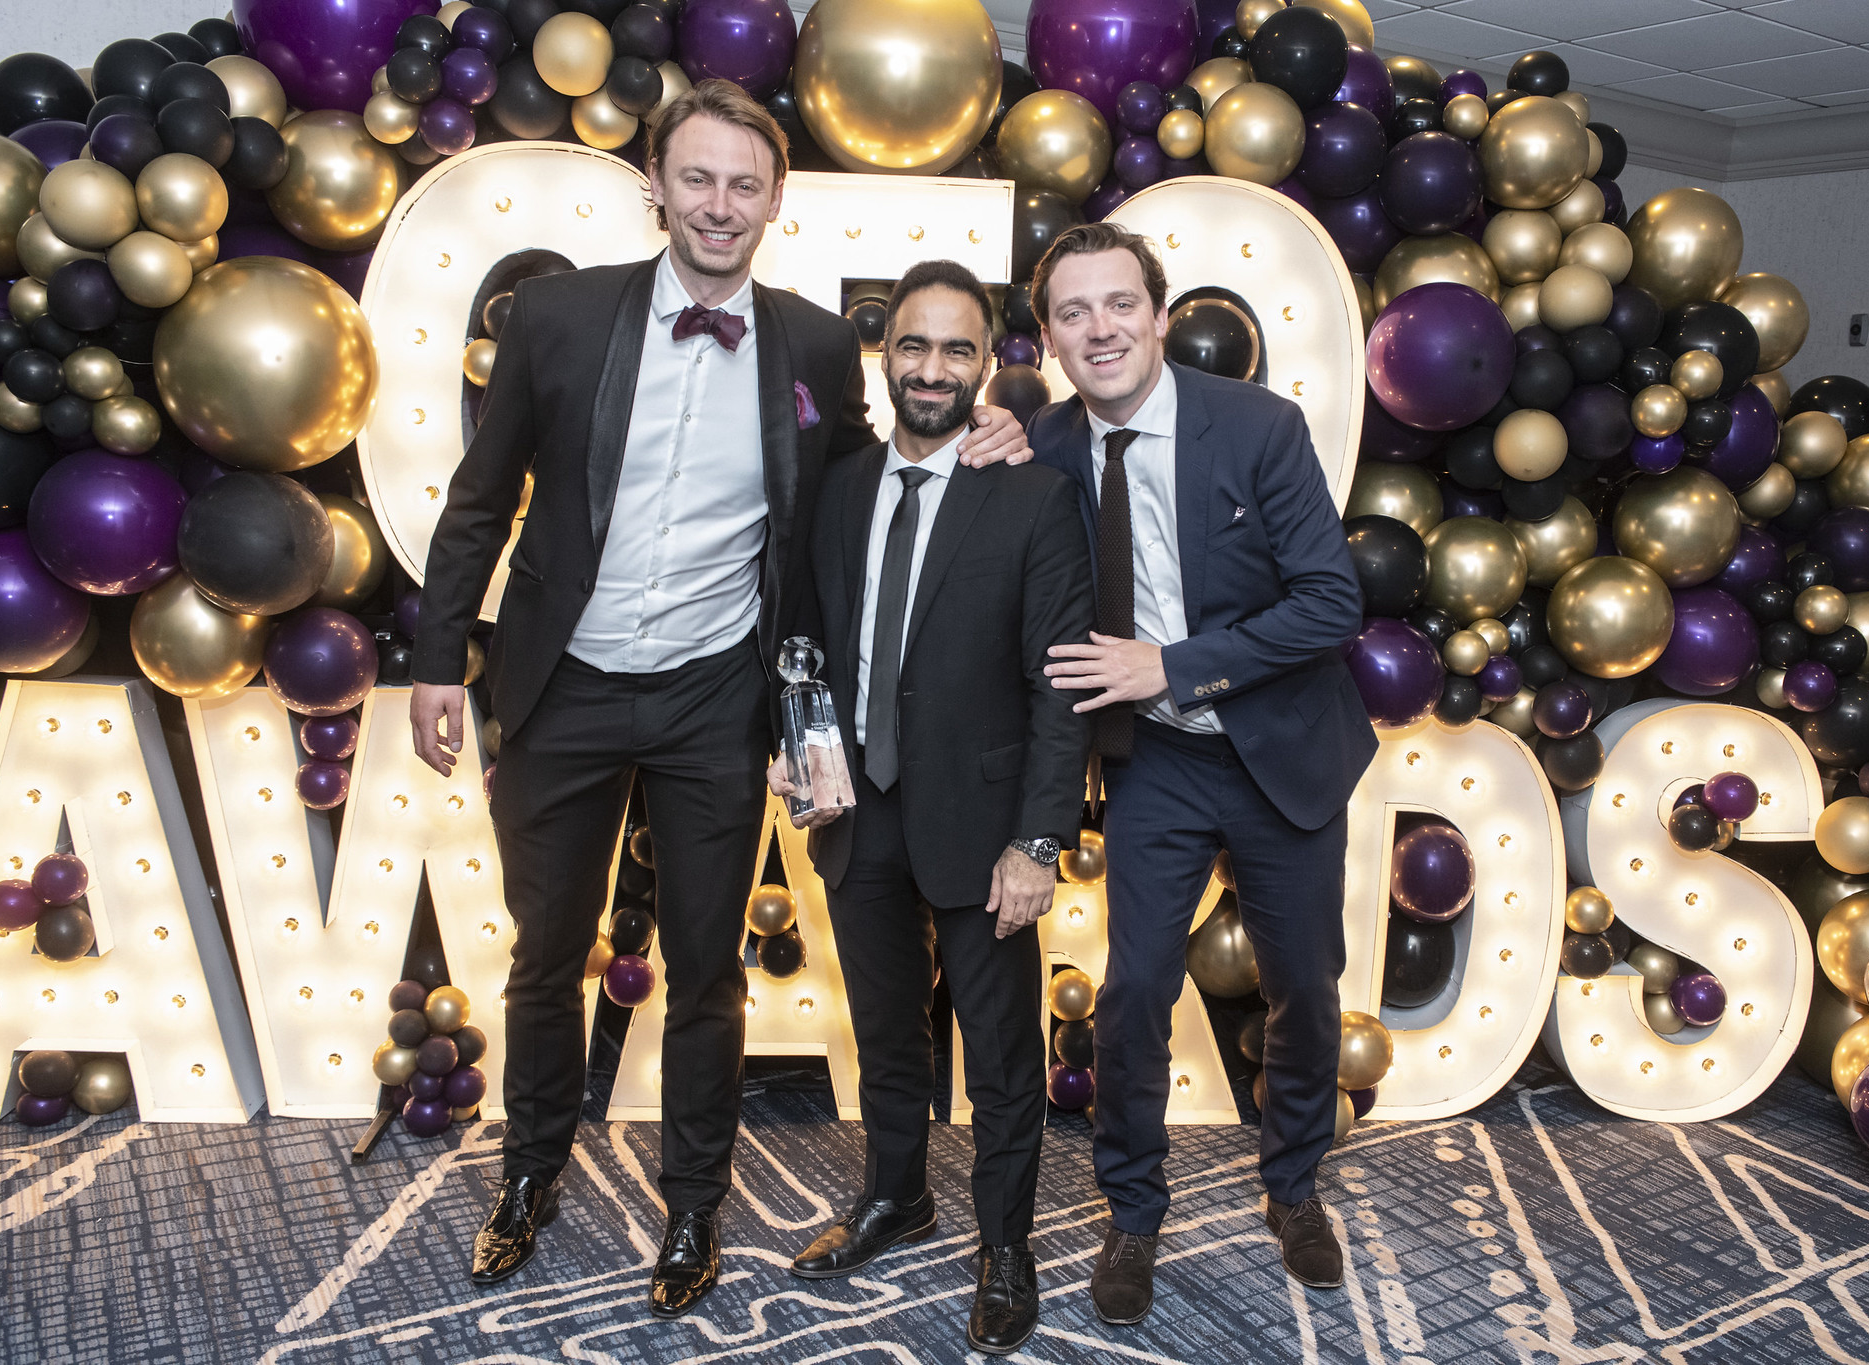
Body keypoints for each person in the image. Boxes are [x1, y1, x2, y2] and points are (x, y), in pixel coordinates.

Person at [407, 79, 1030, 1308]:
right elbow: (479, 500)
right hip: (563, 682)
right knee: (544, 953)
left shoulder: (803, 340)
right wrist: (437, 658)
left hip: (714, 695)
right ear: (655, 184)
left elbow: (863, 474)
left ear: (776, 202)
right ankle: (530, 1170)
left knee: (705, 968)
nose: (718, 204)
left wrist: (989, 429)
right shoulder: (557, 318)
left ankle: (692, 1204)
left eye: (745, 184)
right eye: (697, 177)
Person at [1026, 222, 1375, 1324]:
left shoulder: (1258, 428)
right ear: (1046, 338)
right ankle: (1130, 1212)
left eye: (1118, 304)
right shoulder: (1039, 447)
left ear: (1160, 316)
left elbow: (1329, 602)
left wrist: (1170, 664)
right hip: (1157, 763)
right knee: (1130, 994)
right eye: (1073, 313)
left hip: (1280, 747)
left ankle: (1293, 1186)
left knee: (1304, 991)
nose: (1099, 329)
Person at [766, 259, 1091, 1356]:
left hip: (986, 822)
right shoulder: (842, 482)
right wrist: (798, 749)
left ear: (988, 364)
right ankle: (895, 1198)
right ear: (885, 353)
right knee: (884, 1037)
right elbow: (806, 638)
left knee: (1001, 1059)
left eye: (959, 349)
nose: (933, 368)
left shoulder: (1033, 495)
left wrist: (1039, 839)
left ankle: (1005, 1245)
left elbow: (1058, 682)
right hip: (858, 810)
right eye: (914, 345)